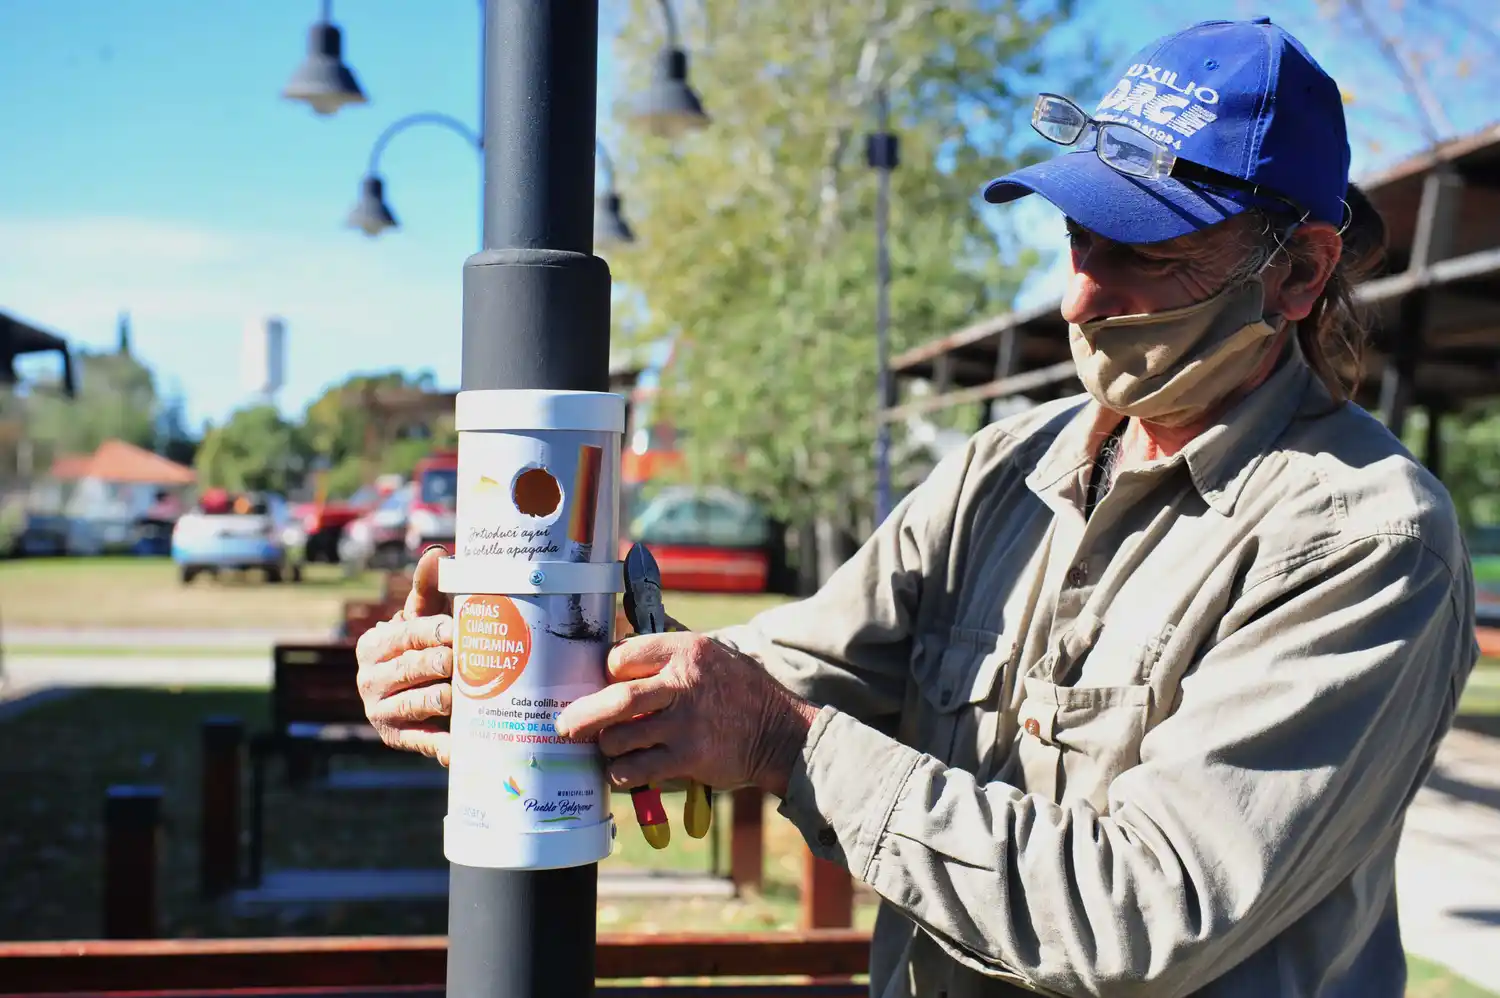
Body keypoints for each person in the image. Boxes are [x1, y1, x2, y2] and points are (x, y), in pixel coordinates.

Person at [355, 17, 1479, 998]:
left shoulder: (1362, 537)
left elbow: (1146, 908)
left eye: (1148, 248)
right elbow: (778, 671)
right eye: (1081, 236)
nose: (1082, 292)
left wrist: (779, 742)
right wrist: (521, 659)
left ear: (1297, 273)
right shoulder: (1009, 469)